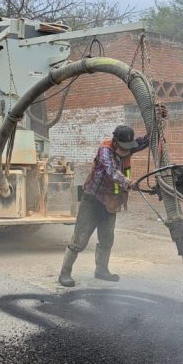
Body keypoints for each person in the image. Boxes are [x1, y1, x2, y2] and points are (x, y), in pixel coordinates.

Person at [58, 105, 167, 287]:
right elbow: (112, 171)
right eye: (122, 147)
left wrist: (159, 121)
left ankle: (101, 270)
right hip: (92, 201)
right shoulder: (105, 151)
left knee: (107, 240)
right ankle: (65, 273)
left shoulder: (128, 147)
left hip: (110, 203)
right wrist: (128, 182)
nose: (126, 151)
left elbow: (149, 139)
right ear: (115, 142)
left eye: (128, 148)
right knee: (79, 240)